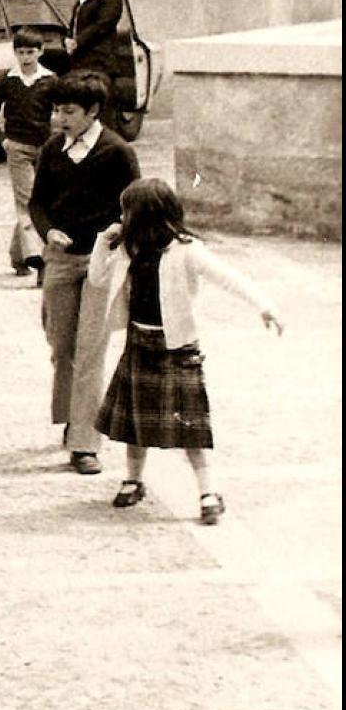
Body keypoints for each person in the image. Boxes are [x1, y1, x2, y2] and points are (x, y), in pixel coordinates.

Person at [93, 179, 284, 524]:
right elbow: (96, 279)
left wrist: (264, 306)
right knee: (135, 425)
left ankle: (208, 491)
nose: (121, 216)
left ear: (144, 215)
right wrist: (101, 242)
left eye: (127, 210)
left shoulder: (186, 250)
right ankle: (133, 479)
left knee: (191, 428)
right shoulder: (128, 249)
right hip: (139, 342)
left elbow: (228, 277)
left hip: (177, 348)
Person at [28, 69, 141, 474]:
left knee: (92, 349)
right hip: (59, 260)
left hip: (102, 262)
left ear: (93, 112)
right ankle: (71, 417)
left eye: (69, 111)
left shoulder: (117, 151)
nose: (60, 118)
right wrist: (48, 230)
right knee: (62, 346)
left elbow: (136, 205)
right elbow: (37, 203)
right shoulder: (51, 150)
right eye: (57, 110)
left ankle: (84, 441)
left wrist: (115, 236)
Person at [0, 27, 55, 283]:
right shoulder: (7, 80)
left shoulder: (50, 81)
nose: (26, 57)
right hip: (18, 149)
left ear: (41, 52)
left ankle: (18, 256)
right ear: (14, 53)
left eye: (31, 52)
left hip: (45, 149)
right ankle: (40, 261)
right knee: (27, 201)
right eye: (21, 52)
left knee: (43, 201)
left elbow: (59, 113)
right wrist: (3, 142)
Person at [69, 0, 141, 136]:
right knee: (82, 99)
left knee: (100, 101)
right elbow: (75, 20)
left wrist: (78, 41)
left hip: (100, 57)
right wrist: (69, 39)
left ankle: (104, 139)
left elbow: (103, 25)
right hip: (81, 57)